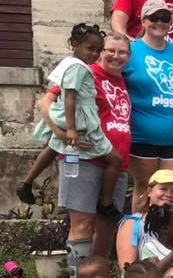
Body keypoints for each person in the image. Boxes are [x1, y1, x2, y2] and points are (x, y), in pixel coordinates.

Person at [33, 33, 134, 272]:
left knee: (108, 223)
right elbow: (45, 102)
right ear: (101, 50)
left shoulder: (122, 81)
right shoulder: (86, 73)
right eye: (110, 50)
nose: (115, 56)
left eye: (122, 52)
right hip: (86, 160)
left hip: (117, 165)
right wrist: (61, 132)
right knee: (83, 223)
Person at [26, 24, 124, 225]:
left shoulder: (68, 63)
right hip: (80, 121)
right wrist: (70, 128)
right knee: (115, 160)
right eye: (91, 49)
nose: (94, 53)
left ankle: (27, 181)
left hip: (64, 114)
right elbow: (70, 96)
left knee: (54, 145)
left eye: (98, 49)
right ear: (75, 44)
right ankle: (106, 202)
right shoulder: (79, 68)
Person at [124, 0, 173, 212]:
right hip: (141, 135)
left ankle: (166, 240)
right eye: (154, 18)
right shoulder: (130, 51)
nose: (160, 22)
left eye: (165, 18)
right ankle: (138, 238)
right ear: (143, 20)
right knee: (145, 188)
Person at [116, 170, 173, 273]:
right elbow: (128, 271)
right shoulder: (132, 224)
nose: (169, 194)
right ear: (150, 191)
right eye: (163, 189)